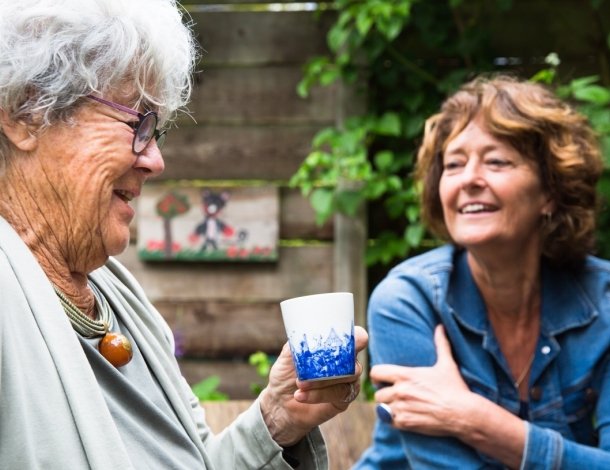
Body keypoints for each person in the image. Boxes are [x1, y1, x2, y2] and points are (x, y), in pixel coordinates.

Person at [0, 1, 368, 468]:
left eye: (158, 131)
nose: (155, 160)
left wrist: (276, 419)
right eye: (138, 124)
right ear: (26, 113)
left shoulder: (117, 294)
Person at [354, 75, 610, 469]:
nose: (469, 180)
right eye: (454, 164)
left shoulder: (603, 302)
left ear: (550, 192)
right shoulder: (407, 301)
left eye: (496, 162)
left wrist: (474, 419)